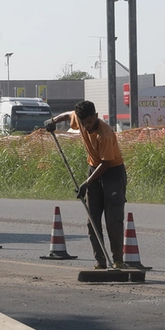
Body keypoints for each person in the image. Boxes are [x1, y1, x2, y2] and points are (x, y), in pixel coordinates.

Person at [45, 100, 126, 269]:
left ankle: (118, 260)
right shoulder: (80, 120)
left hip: (112, 172)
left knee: (113, 220)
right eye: (83, 123)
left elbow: (106, 163)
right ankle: (100, 261)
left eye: (89, 122)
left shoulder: (104, 134)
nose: (86, 126)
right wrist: (53, 122)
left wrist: (86, 183)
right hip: (94, 169)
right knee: (92, 220)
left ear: (95, 116)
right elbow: (68, 115)